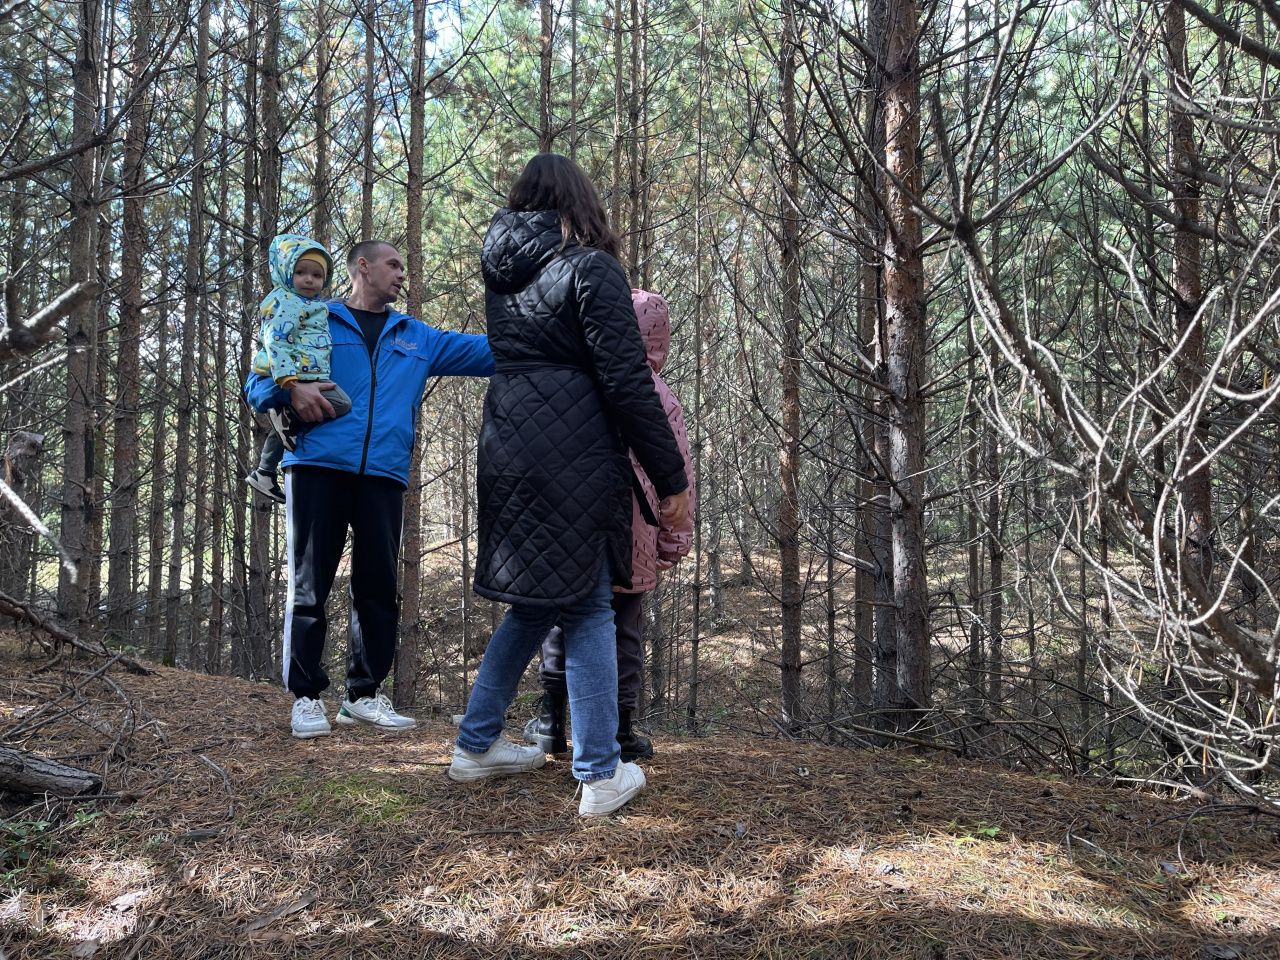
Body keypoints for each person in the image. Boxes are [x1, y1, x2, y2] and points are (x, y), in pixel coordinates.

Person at [448, 153, 690, 818]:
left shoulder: (503, 279)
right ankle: (599, 773)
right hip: (572, 454)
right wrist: (669, 476)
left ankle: (474, 745)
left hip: (508, 445)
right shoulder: (591, 268)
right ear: (579, 203)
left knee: (533, 604)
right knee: (586, 606)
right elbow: (626, 379)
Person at [244, 240, 494, 739]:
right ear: (363, 267)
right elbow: (257, 383)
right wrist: (292, 389)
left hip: (383, 473)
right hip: (316, 464)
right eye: (394, 265)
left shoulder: (417, 337)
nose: (402, 274)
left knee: (378, 587)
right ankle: (306, 696)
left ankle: (363, 695)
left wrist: (548, 325)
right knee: (309, 584)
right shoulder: (313, 316)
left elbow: (492, 352)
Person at [523, 288, 696, 763]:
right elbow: (678, 474)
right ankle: (618, 730)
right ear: (659, 338)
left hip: (570, 527)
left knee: (563, 623)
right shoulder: (657, 395)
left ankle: (549, 721)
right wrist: (674, 539)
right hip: (634, 531)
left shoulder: (573, 381)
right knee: (622, 630)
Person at [244, 234, 353, 504]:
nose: (309, 280)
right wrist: (289, 383)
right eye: (300, 272)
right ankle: (286, 416)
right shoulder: (287, 303)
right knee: (341, 403)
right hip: (291, 375)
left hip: (302, 375)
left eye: (317, 275)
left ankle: (265, 471)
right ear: (285, 272)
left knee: (283, 428)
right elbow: (276, 340)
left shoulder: (310, 306)